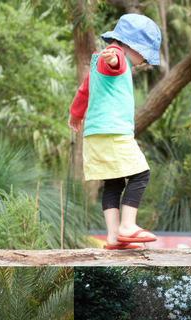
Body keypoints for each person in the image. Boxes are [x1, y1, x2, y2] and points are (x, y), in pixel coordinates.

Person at [68, 14, 161, 250]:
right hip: (113, 132)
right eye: (144, 55)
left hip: (95, 134)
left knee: (113, 184)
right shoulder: (115, 54)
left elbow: (83, 91)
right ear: (131, 44)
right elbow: (114, 62)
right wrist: (112, 58)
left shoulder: (98, 62)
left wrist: (75, 114)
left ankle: (113, 238)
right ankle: (127, 226)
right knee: (141, 174)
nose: (143, 61)